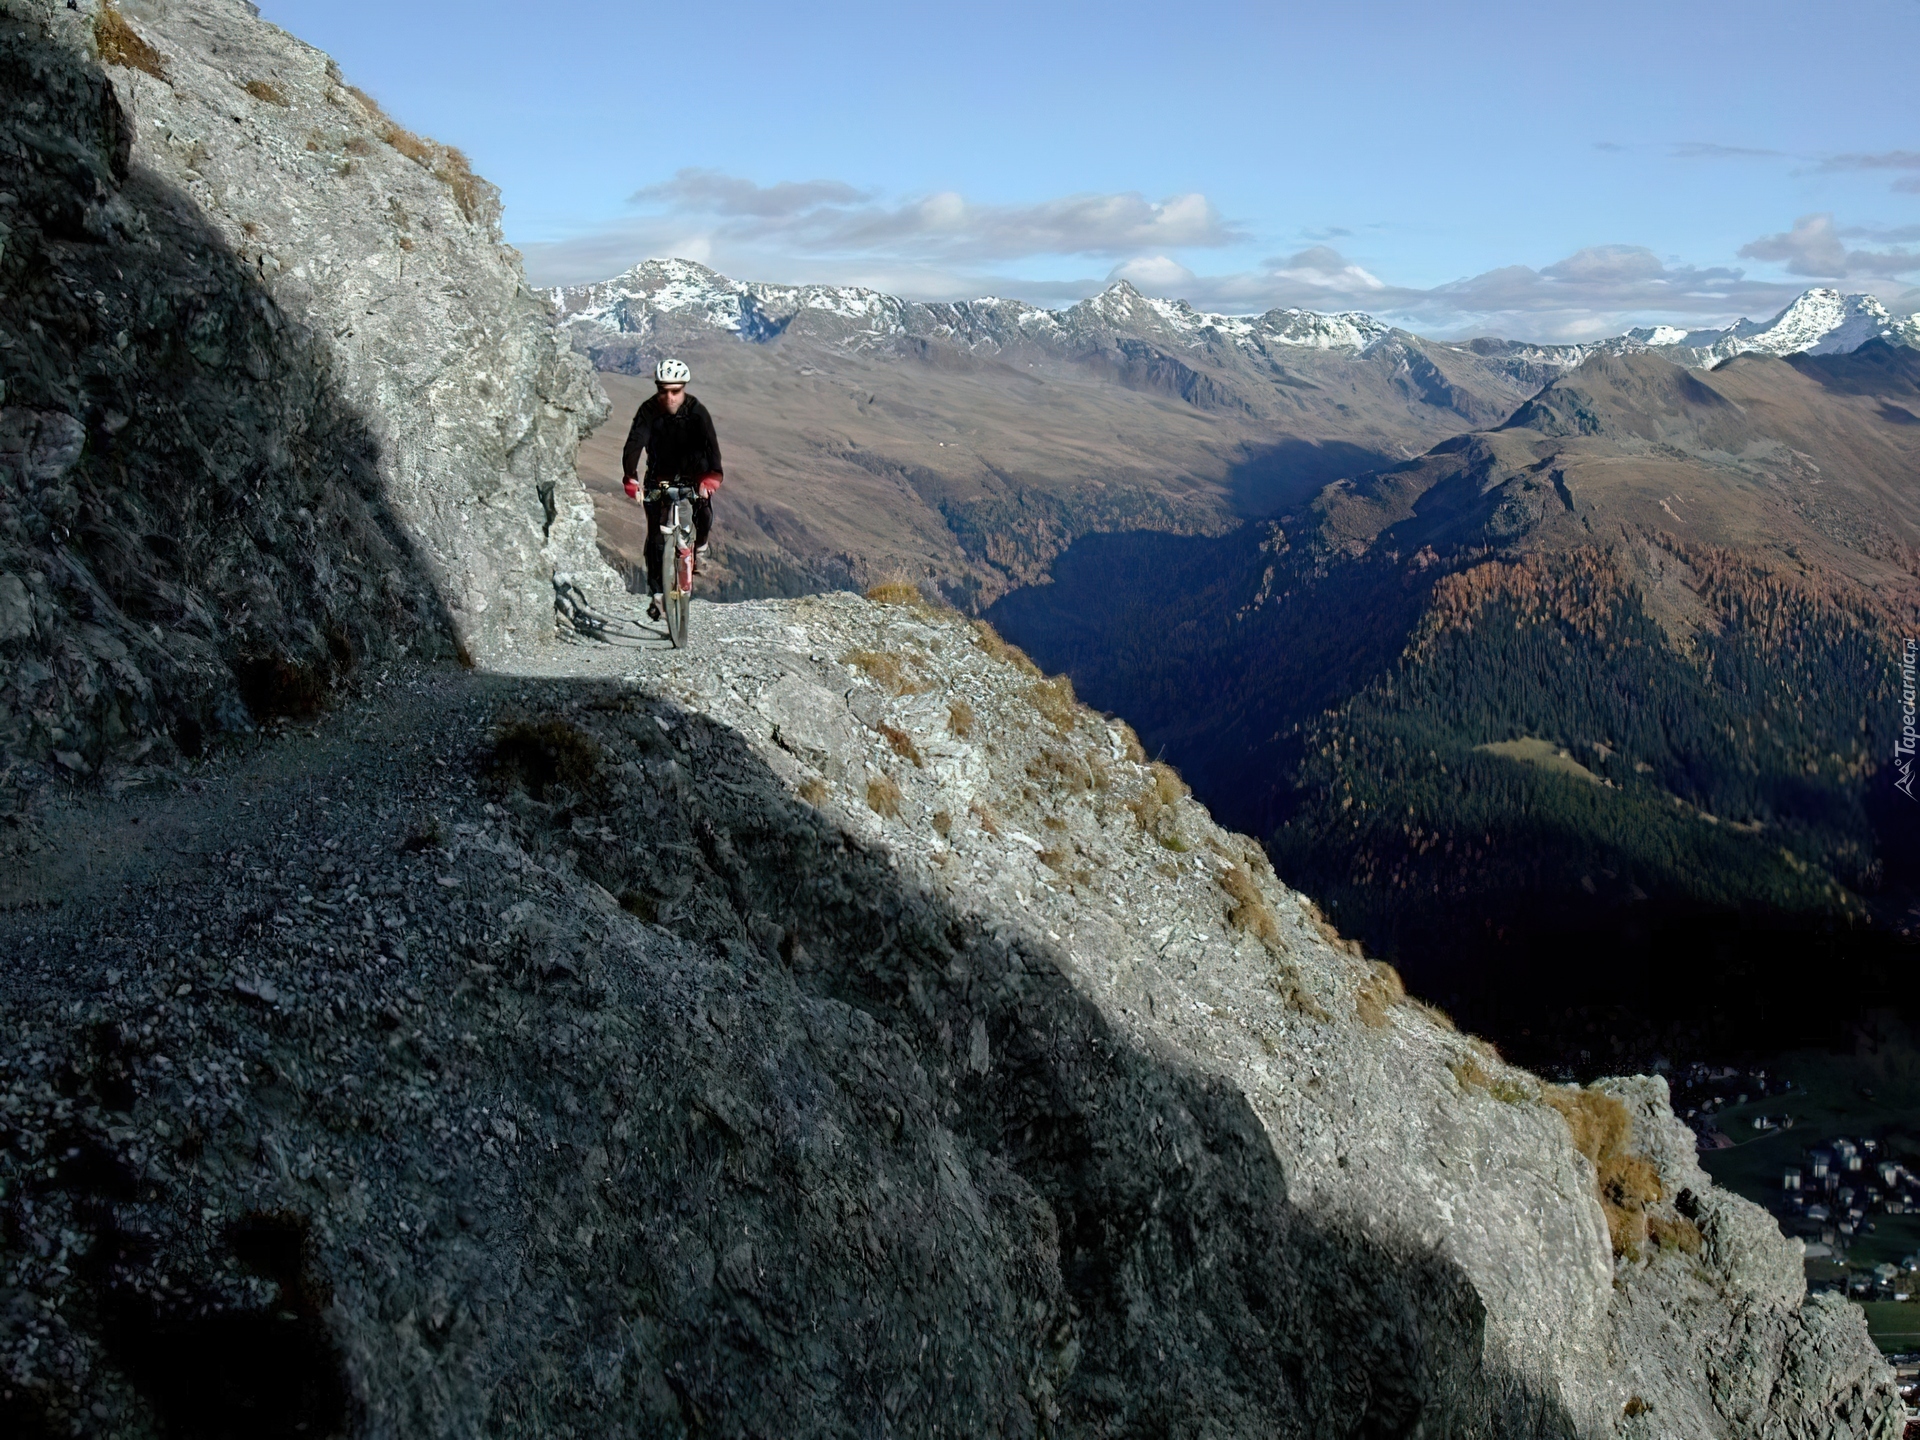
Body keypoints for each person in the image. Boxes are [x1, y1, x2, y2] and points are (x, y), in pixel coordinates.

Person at [620, 357, 723, 620]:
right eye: (663, 391)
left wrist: (712, 476)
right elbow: (634, 443)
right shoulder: (647, 411)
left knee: (704, 512)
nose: (669, 397)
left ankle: (698, 546)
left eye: (675, 391)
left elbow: (711, 444)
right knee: (655, 534)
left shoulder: (697, 411)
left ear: (683, 388)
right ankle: (657, 593)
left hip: (693, 474)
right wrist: (630, 477)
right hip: (658, 476)